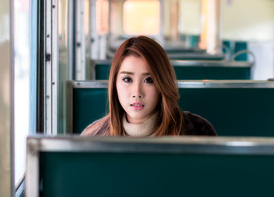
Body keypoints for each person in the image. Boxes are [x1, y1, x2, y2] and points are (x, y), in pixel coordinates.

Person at [81, 36, 217, 137]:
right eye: (127, 79)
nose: (137, 93)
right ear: (114, 84)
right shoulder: (93, 137)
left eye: (149, 80)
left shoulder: (197, 132)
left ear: (162, 83)